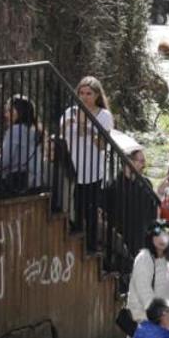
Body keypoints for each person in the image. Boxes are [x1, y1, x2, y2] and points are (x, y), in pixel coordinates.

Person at [61, 78, 114, 247]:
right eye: (81, 93)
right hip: (73, 167)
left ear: (97, 95)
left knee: (90, 211)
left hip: (92, 170)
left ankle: (91, 245)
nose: (84, 97)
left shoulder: (104, 116)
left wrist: (87, 127)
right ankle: (74, 242)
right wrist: (73, 124)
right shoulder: (70, 112)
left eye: (89, 94)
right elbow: (62, 135)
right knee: (74, 207)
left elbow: (102, 146)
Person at [128, 220, 169, 323]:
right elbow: (143, 289)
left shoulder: (168, 262)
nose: (162, 239)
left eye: (166, 235)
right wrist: (157, 314)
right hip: (145, 319)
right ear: (150, 238)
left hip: (163, 321)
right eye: (157, 235)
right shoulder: (144, 258)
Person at [0, 94, 43, 193]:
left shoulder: (16, 130)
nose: (6, 115)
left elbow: (5, 160)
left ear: (20, 111)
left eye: (9, 110)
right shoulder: (35, 130)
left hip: (15, 184)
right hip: (33, 183)